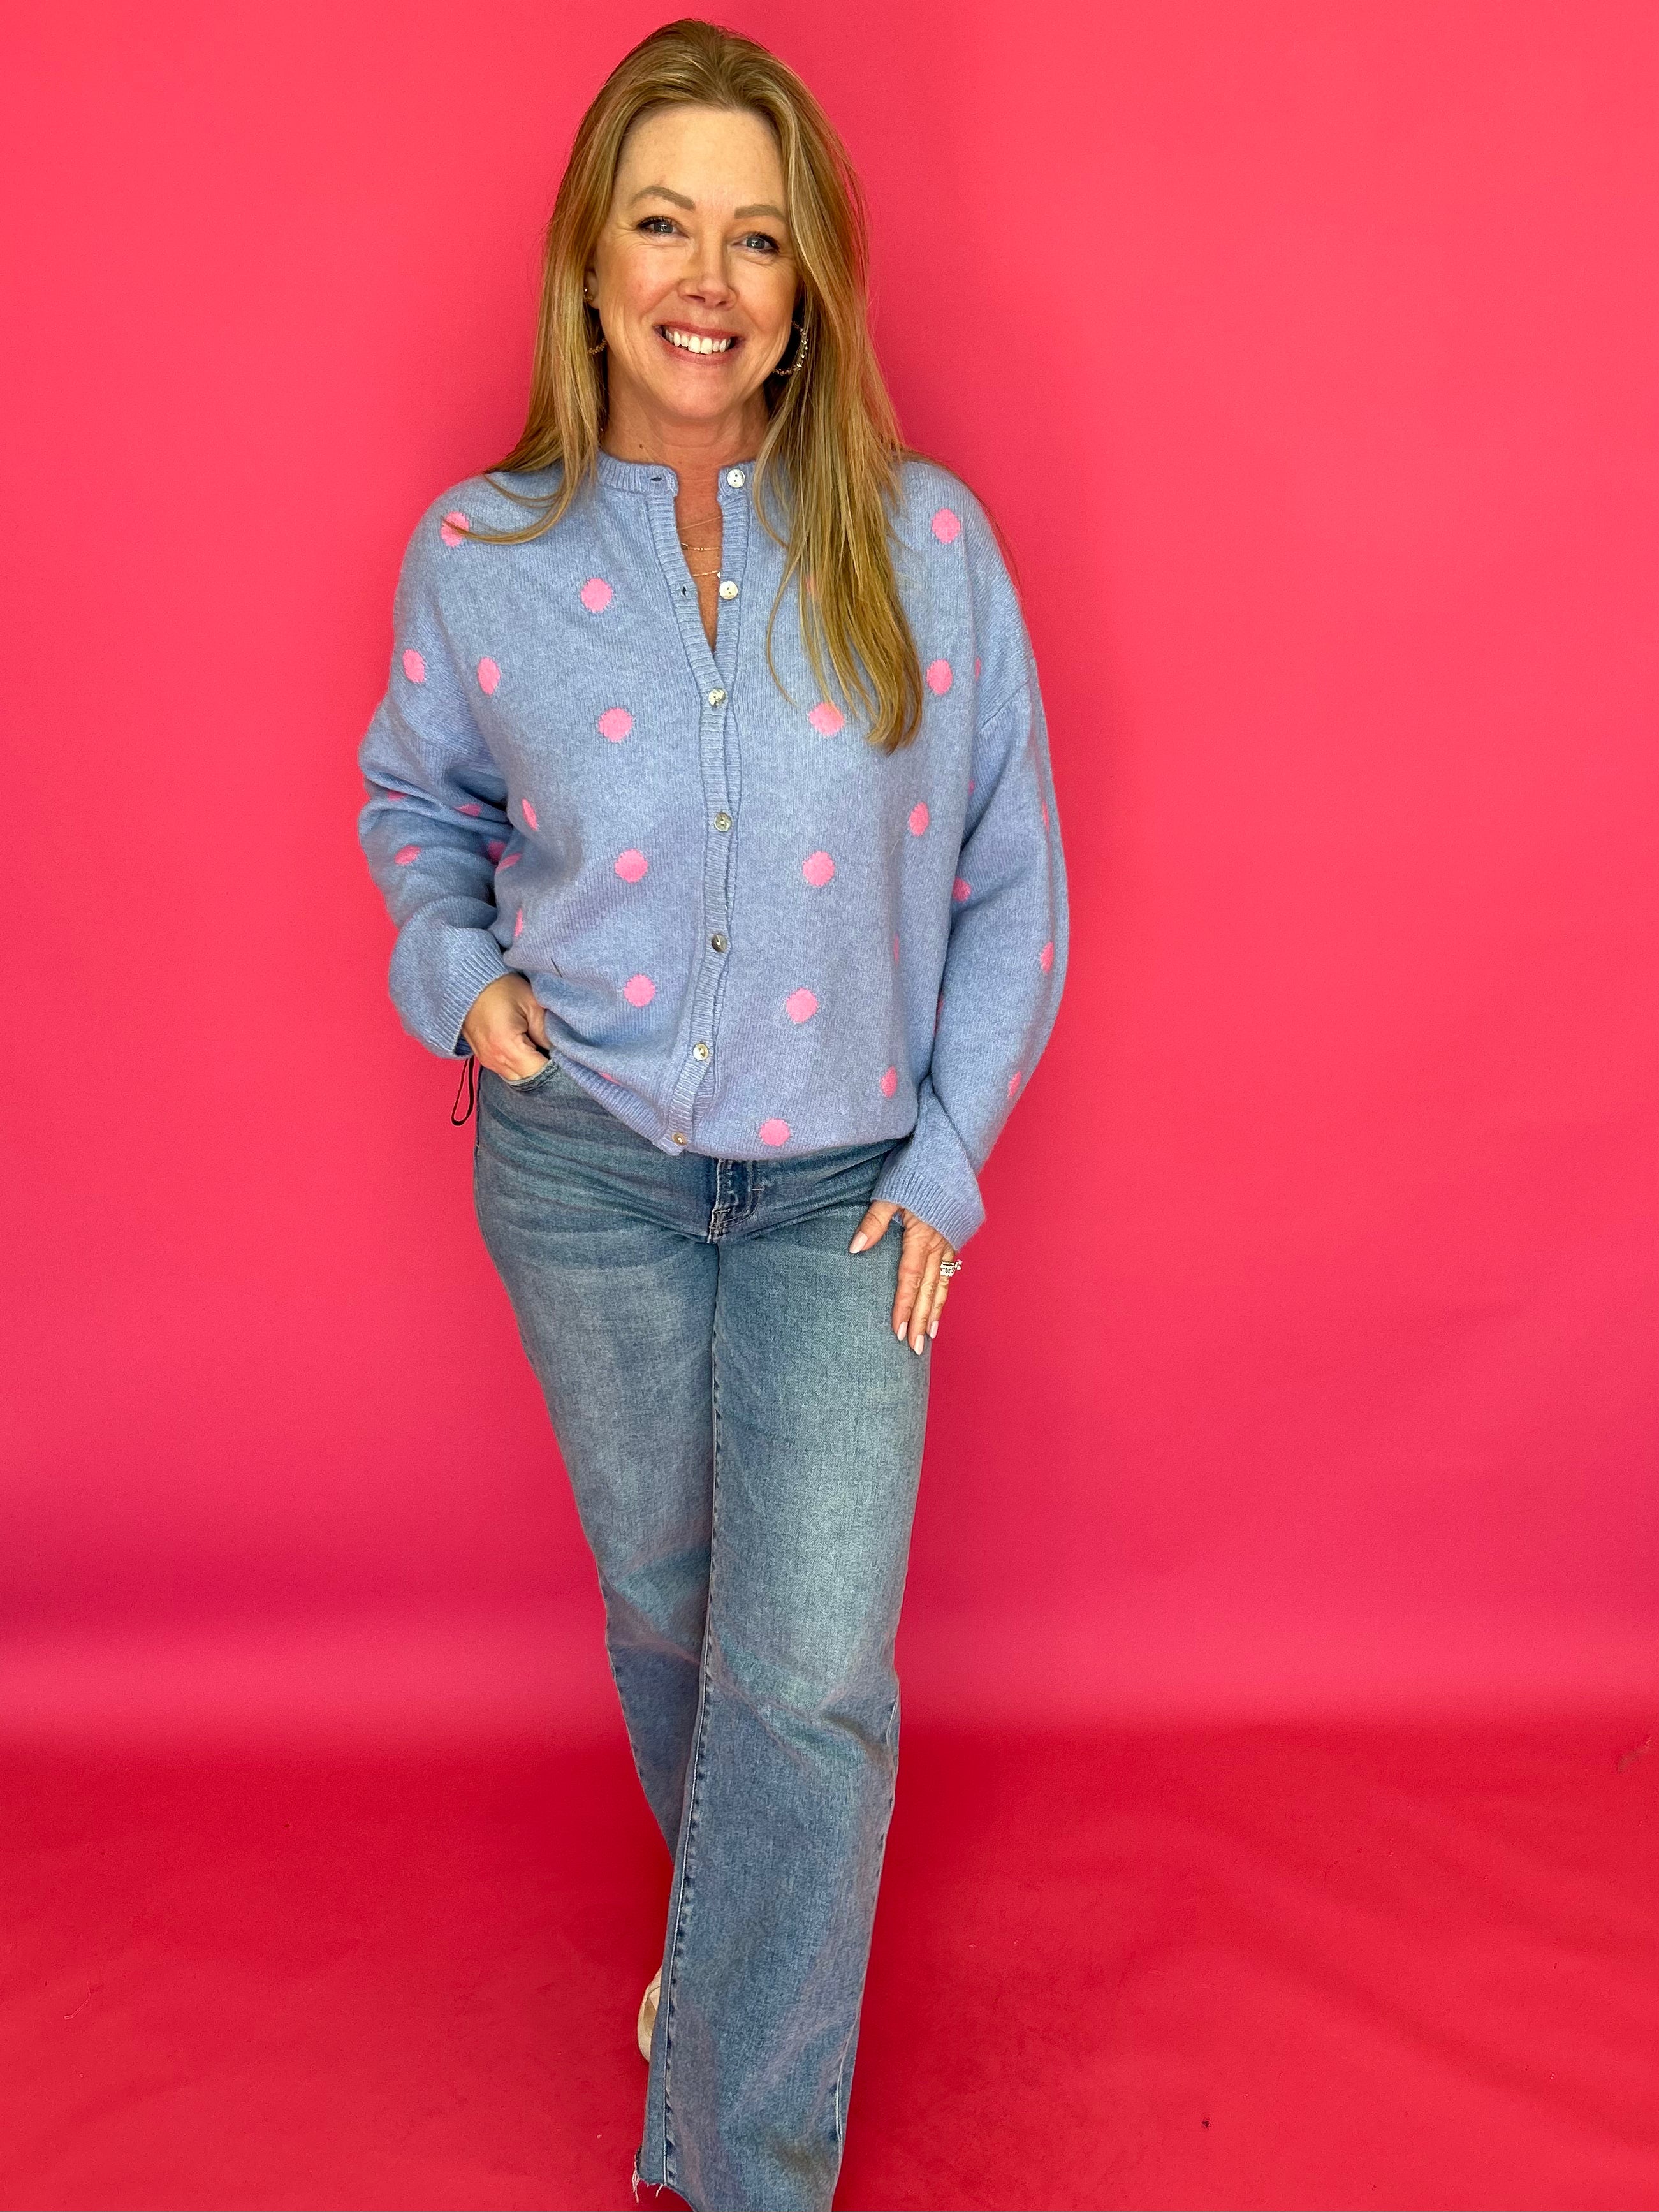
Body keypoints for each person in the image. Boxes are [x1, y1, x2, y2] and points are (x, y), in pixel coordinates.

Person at [356, 20, 1067, 2209]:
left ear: (807, 285)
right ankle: (738, 1964)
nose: (709, 273)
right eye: (664, 219)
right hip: (585, 1180)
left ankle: (739, 2163)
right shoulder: (478, 553)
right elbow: (416, 807)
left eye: (757, 237)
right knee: (671, 1611)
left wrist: (946, 1152)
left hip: (851, 1196)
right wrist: (462, 985)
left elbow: (1013, 877)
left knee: (815, 1670)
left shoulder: (921, 543)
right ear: (591, 260)